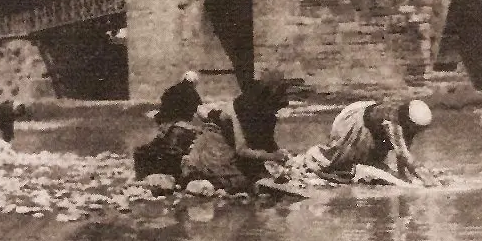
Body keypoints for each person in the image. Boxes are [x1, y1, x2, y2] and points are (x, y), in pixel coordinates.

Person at [181, 79, 291, 192]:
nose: (277, 110)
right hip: (218, 148)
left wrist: (279, 153)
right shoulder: (243, 112)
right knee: (243, 182)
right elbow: (241, 149)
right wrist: (272, 156)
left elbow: (267, 140)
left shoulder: (267, 115)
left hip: (231, 146)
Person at [303, 99, 439, 186]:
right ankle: (314, 155)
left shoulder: (408, 124)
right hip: (354, 124)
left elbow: (403, 150)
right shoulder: (392, 121)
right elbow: (403, 153)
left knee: (370, 164)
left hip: (374, 131)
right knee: (336, 164)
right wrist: (429, 181)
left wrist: (403, 176)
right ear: (409, 121)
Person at [133, 71, 204, 180]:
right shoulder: (193, 93)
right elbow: (199, 109)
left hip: (164, 120)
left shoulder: (171, 89)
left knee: (160, 142)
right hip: (178, 123)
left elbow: (163, 102)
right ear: (194, 83)